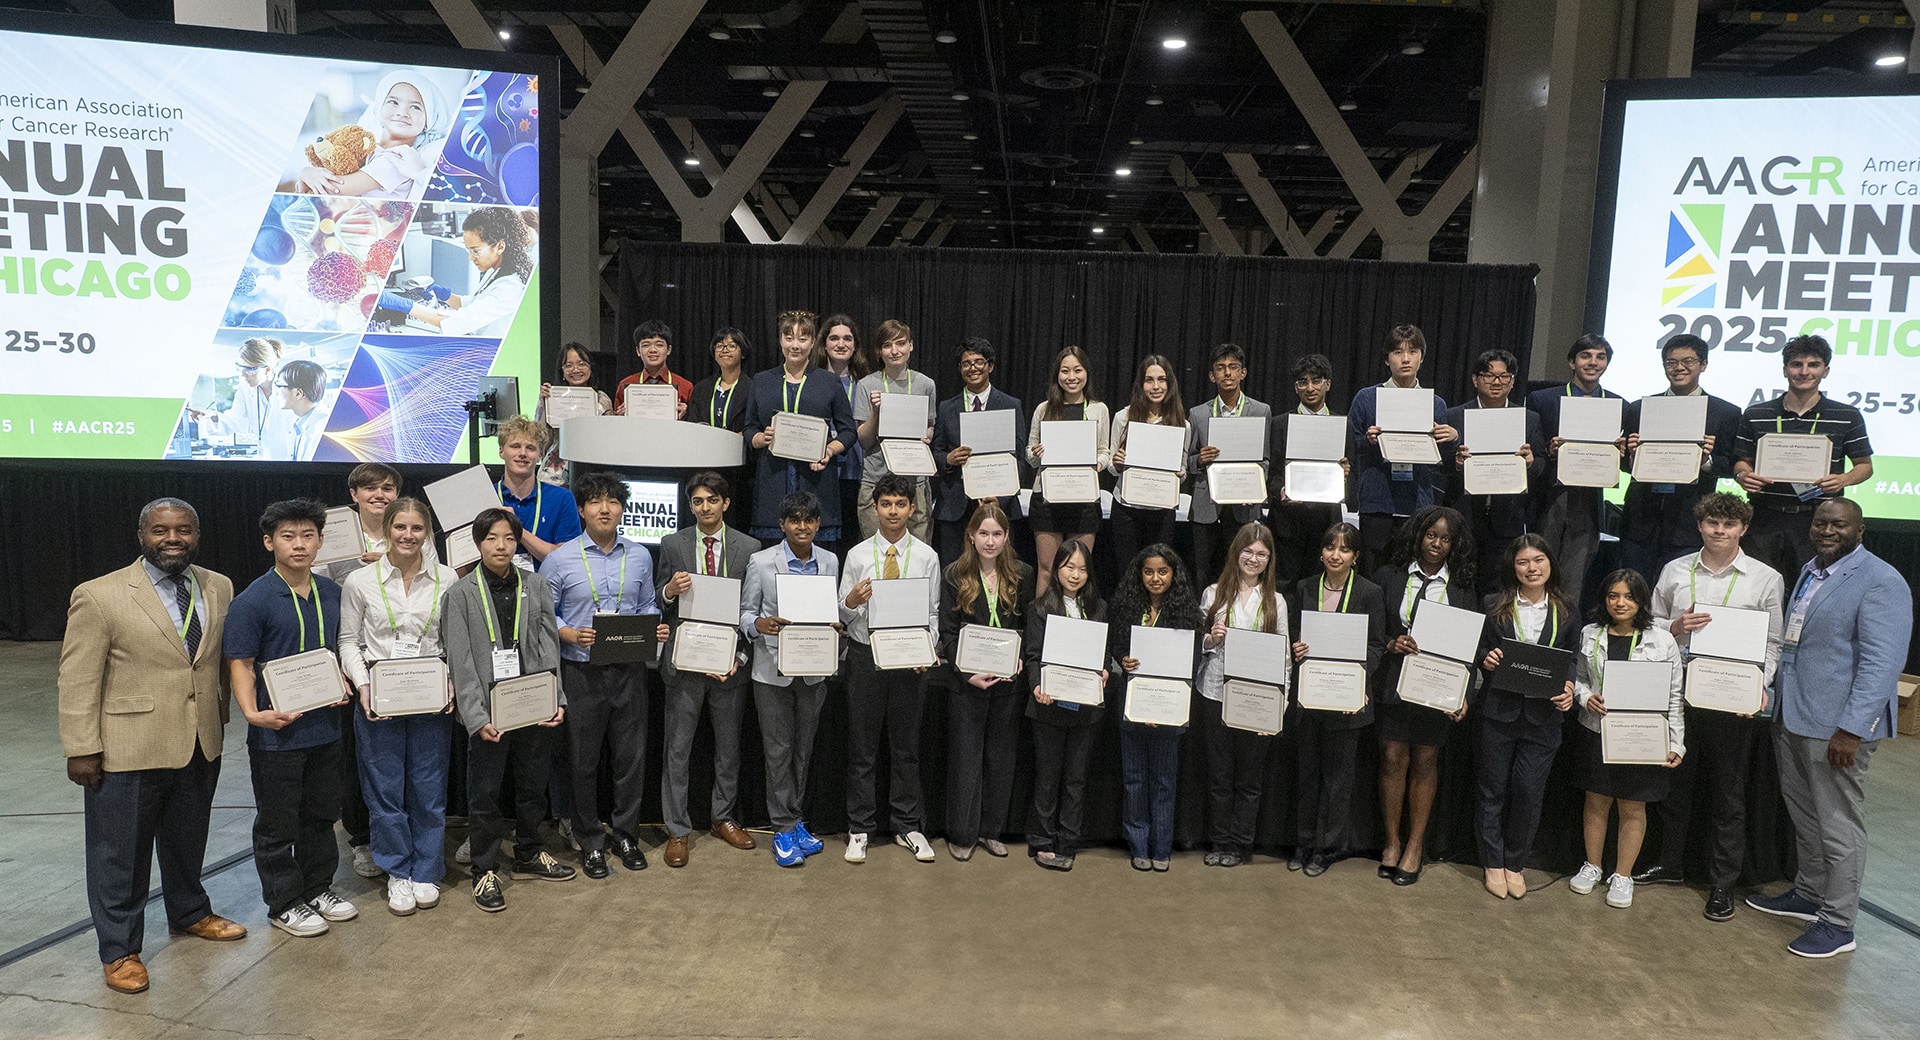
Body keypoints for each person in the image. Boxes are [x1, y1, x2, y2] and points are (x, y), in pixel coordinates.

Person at [59, 498, 246, 994]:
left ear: (197, 534)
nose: (172, 539)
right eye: (161, 530)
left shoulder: (218, 586)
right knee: (119, 855)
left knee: (188, 841)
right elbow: (77, 678)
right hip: (127, 745)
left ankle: (189, 912)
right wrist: (81, 746)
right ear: (142, 534)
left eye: (183, 530)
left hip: (200, 738)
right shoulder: (99, 595)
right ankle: (120, 949)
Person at [1747, 498, 1911, 958]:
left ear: (1860, 530)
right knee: (1805, 816)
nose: (1827, 530)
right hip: (1794, 716)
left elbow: (1882, 663)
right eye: (1821, 522)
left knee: (1839, 825)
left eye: (1839, 524)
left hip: (1838, 729)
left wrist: (1853, 729)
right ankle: (1809, 893)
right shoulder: (1812, 570)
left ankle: (1839, 923)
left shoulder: (1881, 580)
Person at [1637, 492, 1785, 919]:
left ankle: (1722, 884)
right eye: (1712, 524)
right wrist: (1676, 625)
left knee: (1728, 796)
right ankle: (1669, 863)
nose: (1719, 531)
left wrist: (1761, 686)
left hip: (1733, 700)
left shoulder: (1765, 578)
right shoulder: (1675, 570)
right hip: (1679, 692)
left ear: (1744, 528)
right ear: (1700, 526)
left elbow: (1772, 644)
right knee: (1673, 785)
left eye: (1729, 525)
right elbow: (1650, 625)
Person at [223, 499, 358, 938]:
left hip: (326, 727)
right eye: (288, 536)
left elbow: (341, 652)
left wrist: (342, 683)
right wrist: (251, 713)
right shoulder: (252, 600)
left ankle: (318, 887)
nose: (298, 545)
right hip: (277, 734)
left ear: (320, 541)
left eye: (307, 536)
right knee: (278, 821)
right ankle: (284, 902)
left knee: (321, 815)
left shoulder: (333, 594)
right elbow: (240, 663)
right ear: (269, 542)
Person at [442, 508, 574, 912]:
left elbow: (550, 644)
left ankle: (530, 853)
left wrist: (557, 698)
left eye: (509, 539)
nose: (501, 546)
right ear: (478, 544)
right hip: (488, 710)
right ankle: (484, 869)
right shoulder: (461, 594)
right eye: (492, 538)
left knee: (533, 785)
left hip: (532, 702)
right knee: (485, 793)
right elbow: (460, 661)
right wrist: (476, 717)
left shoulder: (535, 585)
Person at [336, 497, 460, 917]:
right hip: (380, 696)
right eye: (400, 527)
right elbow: (348, 641)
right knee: (385, 790)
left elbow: (454, 642)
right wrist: (363, 686)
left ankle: (426, 868)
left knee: (428, 788)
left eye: (417, 529)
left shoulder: (447, 580)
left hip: (430, 697)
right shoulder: (360, 582)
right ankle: (397, 871)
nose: (409, 536)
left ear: (428, 533)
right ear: (387, 529)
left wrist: (451, 683)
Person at [543, 473, 669, 878]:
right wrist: (568, 632)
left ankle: (626, 834)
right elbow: (546, 615)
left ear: (621, 509)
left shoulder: (639, 555)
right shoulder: (559, 560)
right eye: (595, 501)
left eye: (612, 502)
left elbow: (648, 603)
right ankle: (590, 841)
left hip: (630, 670)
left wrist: (656, 626)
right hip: (581, 670)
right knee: (583, 761)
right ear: (581, 510)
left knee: (630, 760)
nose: (604, 509)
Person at [655, 471, 762, 865]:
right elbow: (657, 597)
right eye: (697, 501)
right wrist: (669, 591)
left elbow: (753, 609)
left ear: (726, 503)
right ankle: (678, 830)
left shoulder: (749, 547)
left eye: (712, 500)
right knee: (677, 750)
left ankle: (723, 817)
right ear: (691, 505)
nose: (705, 508)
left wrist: (740, 657)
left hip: (729, 662)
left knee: (728, 749)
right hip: (685, 660)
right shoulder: (673, 543)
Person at [838, 474, 942, 863]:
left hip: (910, 662)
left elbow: (932, 614)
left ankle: (907, 825)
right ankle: (860, 828)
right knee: (862, 748)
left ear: (912, 509)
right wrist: (851, 600)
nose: (894, 511)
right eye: (886, 504)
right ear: (875, 508)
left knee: (906, 748)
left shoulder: (928, 557)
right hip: (866, 657)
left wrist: (926, 650)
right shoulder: (859, 555)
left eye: (901, 504)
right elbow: (842, 613)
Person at [1569, 569, 1685, 910]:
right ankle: (1592, 865)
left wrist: (1676, 743)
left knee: (1633, 806)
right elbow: (1575, 678)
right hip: (1597, 731)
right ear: (1604, 599)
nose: (1621, 603)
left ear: (1641, 601)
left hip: (1643, 736)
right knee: (1596, 800)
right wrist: (1584, 696)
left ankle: (1623, 875)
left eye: (1629, 597)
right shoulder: (1590, 633)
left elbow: (1674, 696)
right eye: (1613, 596)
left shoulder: (1662, 640)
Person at [1372, 505, 1475, 886]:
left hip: (1439, 688)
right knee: (1392, 757)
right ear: (1418, 535)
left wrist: (1466, 693)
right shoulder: (1390, 575)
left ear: (1454, 545)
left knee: (1426, 761)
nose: (1437, 544)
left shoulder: (1462, 586)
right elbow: (1373, 630)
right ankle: (1392, 842)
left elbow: (1471, 646)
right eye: (1431, 535)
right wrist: (1390, 642)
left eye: (1446, 539)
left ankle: (1416, 846)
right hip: (1395, 681)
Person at [1471, 534, 1578, 900]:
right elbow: (1479, 649)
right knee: (1492, 790)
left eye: (1538, 560)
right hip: (1499, 712)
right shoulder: (1493, 605)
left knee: (1529, 792)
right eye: (1522, 562)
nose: (1531, 568)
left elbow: (1573, 657)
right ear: (1512, 567)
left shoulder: (1567, 609)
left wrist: (1569, 686)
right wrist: (1486, 658)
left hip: (1544, 717)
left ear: (1550, 564)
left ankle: (1516, 863)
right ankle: (1493, 862)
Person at [741, 491, 842, 868]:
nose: (802, 526)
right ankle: (782, 828)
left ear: (818, 524)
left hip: (814, 668)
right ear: (782, 525)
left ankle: (795, 819)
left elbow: (831, 610)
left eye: (809, 520)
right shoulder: (761, 562)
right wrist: (758, 625)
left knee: (803, 750)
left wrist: (836, 625)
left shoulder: (830, 561)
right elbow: (746, 613)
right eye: (794, 520)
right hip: (772, 672)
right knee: (778, 751)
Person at [1733, 335, 1875, 583]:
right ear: (1785, 370)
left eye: (1813, 365)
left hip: (1817, 520)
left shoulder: (1847, 415)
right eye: (1796, 364)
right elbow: (1741, 460)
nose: (1804, 371)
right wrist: (1743, 475)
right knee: (1756, 588)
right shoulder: (1757, 413)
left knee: (1811, 588)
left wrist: (1843, 479)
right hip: (1764, 517)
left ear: (1825, 371)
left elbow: (1864, 466)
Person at [1287, 522, 1385, 875]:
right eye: (1330, 547)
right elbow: (1295, 633)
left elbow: (1376, 647)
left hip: (1348, 699)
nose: (1336, 554)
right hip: (1311, 696)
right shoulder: (1304, 588)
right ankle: (1302, 842)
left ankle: (1325, 849)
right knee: (1308, 776)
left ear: (1356, 557)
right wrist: (1295, 646)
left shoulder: (1369, 593)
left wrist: (1357, 681)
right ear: (1321, 552)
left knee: (1338, 781)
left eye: (1344, 549)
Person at [938, 501, 1031, 861]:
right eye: (983, 534)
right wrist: (966, 672)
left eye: (997, 534)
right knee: (966, 759)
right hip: (968, 681)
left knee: (1001, 758)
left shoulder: (1020, 574)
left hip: (1008, 682)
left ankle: (991, 831)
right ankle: (962, 835)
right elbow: (947, 632)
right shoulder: (954, 575)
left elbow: (1025, 627)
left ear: (1007, 537)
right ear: (971, 536)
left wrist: (1020, 656)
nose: (990, 541)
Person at [1195, 522, 1287, 868]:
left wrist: (1279, 709)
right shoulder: (1213, 593)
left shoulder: (1276, 601)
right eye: (1247, 551)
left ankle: (1240, 845)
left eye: (1261, 554)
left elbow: (1285, 660)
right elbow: (1200, 645)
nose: (1253, 558)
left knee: (1249, 780)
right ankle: (1219, 842)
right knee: (1219, 777)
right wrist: (1211, 640)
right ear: (1236, 552)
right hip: (1215, 692)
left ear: (1269, 559)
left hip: (1257, 699)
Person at [1617, 334, 1743, 581]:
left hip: (1690, 518)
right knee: (1634, 586)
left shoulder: (1725, 412)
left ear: (1703, 365)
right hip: (1641, 516)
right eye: (1671, 362)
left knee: (1681, 588)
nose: (1679, 368)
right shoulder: (1640, 407)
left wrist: (1706, 459)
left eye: (1688, 361)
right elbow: (1623, 463)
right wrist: (1631, 455)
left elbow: (1730, 464)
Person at [1110, 544, 1204, 872]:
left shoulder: (1186, 614)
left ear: (1174, 575)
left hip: (1169, 709)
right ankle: (1138, 845)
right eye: (1149, 571)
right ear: (1140, 573)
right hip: (1132, 707)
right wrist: (1123, 659)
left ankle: (1161, 848)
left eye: (1163, 571)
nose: (1155, 578)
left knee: (1164, 780)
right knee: (1134, 778)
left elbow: (1191, 663)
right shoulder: (1125, 606)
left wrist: (1161, 710)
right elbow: (1117, 646)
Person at [1023, 539, 1111, 871]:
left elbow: (1104, 654)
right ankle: (1042, 840)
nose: (1075, 575)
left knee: (1076, 778)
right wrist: (1037, 686)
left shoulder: (1100, 608)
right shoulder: (1038, 607)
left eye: (1082, 568)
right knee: (1048, 775)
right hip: (1048, 706)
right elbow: (1032, 656)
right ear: (1056, 568)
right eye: (1069, 567)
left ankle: (1068, 840)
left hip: (1085, 708)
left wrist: (1104, 671)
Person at [1348, 326, 1458, 577]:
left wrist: (1452, 438)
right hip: (1377, 502)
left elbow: (1443, 461)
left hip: (1417, 503)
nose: (1405, 358)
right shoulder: (1367, 398)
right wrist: (1368, 440)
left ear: (1422, 357)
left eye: (1413, 351)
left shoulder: (1435, 403)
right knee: (1373, 573)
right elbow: (1351, 446)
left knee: (1410, 574)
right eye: (1397, 352)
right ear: (1387, 359)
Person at [743, 311, 856, 548]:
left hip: (817, 481)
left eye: (802, 339)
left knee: (819, 561)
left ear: (813, 342)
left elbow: (848, 431)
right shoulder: (762, 380)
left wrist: (829, 450)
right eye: (789, 338)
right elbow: (749, 427)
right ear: (780, 341)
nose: (795, 345)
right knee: (773, 560)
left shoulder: (828, 381)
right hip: (773, 481)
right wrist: (759, 438)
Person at [1527, 333, 1623, 612]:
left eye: (1600, 357)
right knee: (1537, 567)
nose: (1593, 362)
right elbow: (1533, 448)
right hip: (1549, 496)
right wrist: (1551, 449)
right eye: (1586, 356)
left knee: (1573, 579)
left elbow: (1625, 458)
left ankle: (1564, 644)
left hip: (1589, 501)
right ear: (1572, 362)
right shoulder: (1543, 400)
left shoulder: (1618, 404)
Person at [1445, 349, 1546, 596]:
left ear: (1512, 382)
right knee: (1459, 586)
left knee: (1498, 588)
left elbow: (1543, 466)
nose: (1496, 381)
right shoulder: (1454, 416)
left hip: (1507, 520)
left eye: (1504, 376)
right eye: (1489, 375)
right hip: (1464, 517)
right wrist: (1457, 463)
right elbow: (1439, 467)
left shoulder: (1528, 419)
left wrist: (1531, 462)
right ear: (1475, 379)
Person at [931, 337, 1027, 563]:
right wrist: (948, 459)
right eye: (966, 363)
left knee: (1000, 573)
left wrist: (999, 498)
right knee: (953, 572)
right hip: (955, 507)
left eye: (978, 362)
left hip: (997, 505)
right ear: (960, 369)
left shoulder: (1011, 405)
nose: (972, 368)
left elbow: (1019, 459)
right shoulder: (947, 407)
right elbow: (935, 452)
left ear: (990, 366)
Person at [1025, 346, 1111, 597]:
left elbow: (1105, 450)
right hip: (1048, 496)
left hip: (1083, 496)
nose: (1071, 377)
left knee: (1078, 569)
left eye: (1077, 370)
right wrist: (1036, 453)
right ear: (1057, 375)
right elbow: (1029, 455)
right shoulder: (1044, 409)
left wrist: (1098, 463)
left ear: (1086, 373)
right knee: (1047, 568)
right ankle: (1042, 626)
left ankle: (1075, 626)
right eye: (1065, 371)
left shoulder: (1099, 409)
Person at [377, 206, 533, 338]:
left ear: (500, 247)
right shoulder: (499, 269)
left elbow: (461, 321)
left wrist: (406, 305)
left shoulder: (510, 287)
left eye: (476, 251)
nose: (471, 258)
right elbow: (474, 304)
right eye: (468, 250)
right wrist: (446, 295)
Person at [1187, 344, 1272, 579]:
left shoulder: (1260, 411)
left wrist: (1252, 488)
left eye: (1233, 367)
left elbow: (1264, 461)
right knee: (1201, 572)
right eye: (1221, 368)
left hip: (1243, 505)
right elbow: (1186, 461)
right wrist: (1200, 460)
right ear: (1212, 376)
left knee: (1240, 571)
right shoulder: (1199, 414)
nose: (1227, 373)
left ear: (1242, 373)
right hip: (1207, 505)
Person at [297, 69, 448, 198]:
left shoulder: (399, 159)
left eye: (415, 107)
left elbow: (336, 189)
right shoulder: (367, 147)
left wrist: (306, 174)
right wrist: (307, 174)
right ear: (379, 109)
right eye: (393, 102)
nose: (402, 112)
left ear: (429, 121)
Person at [853, 320, 938, 541]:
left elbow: (930, 427)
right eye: (887, 345)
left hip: (915, 481)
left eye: (900, 343)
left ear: (911, 346)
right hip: (876, 478)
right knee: (876, 554)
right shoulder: (866, 385)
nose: (894, 351)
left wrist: (927, 436)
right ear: (879, 351)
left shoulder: (925, 384)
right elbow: (863, 440)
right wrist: (875, 413)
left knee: (917, 553)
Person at [1267, 354, 1347, 585]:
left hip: (1326, 522)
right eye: (1303, 382)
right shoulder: (1280, 423)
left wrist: (1345, 475)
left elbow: (1353, 476)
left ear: (1328, 384)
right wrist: (1282, 490)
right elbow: (1270, 472)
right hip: (1287, 523)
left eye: (1316, 381)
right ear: (1295, 387)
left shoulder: (1342, 424)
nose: (1310, 388)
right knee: (1285, 588)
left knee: (1321, 585)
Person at [1108, 354, 1189, 576]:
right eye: (1149, 380)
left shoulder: (1182, 423)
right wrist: (1116, 463)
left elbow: (1182, 472)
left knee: (1158, 571)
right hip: (1127, 508)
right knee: (1128, 571)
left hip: (1161, 509)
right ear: (1140, 384)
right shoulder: (1123, 417)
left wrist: (1179, 473)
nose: (1156, 386)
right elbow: (1111, 465)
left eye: (1161, 379)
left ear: (1169, 383)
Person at [493, 415, 582, 568]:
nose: (522, 453)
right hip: (493, 589)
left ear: (540, 455)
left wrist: (517, 529)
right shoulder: (485, 497)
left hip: (546, 588)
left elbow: (567, 560)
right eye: (515, 446)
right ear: (501, 451)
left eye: (530, 448)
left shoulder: (561, 499)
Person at [818, 314, 871, 556]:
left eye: (847, 338)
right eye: (834, 338)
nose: (841, 344)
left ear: (855, 344)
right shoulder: (812, 381)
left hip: (856, 474)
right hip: (820, 471)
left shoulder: (866, 383)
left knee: (851, 542)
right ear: (824, 344)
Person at [534, 342, 613, 485]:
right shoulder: (551, 396)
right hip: (554, 474)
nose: (576, 370)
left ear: (591, 368)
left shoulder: (602, 398)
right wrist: (543, 402)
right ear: (562, 372)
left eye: (582, 364)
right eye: (568, 365)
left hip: (591, 470)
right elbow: (538, 437)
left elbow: (609, 437)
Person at [190, 336, 283, 449]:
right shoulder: (245, 389)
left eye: (248, 369)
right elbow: (236, 421)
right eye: (239, 368)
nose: (242, 374)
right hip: (266, 455)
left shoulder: (288, 387)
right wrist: (213, 415)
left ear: (267, 369)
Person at [613, 319, 692, 419]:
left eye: (659, 345)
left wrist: (687, 415)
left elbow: (694, 426)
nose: (653, 350)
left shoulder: (686, 387)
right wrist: (620, 417)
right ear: (638, 351)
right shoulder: (625, 385)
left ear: (669, 350)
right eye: (646, 345)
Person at [690, 327, 752, 434]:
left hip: (739, 448)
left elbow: (754, 426)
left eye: (732, 346)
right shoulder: (701, 389)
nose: (724, 350)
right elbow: (693, 423)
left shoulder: (752, 389)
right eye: (719, 346)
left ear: (743, 353)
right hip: (705, 447)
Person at [267, 359, 330, 462]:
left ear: (298, 393)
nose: (276, 393)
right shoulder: (302, 423)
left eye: (279, 386)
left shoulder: (320, 430)